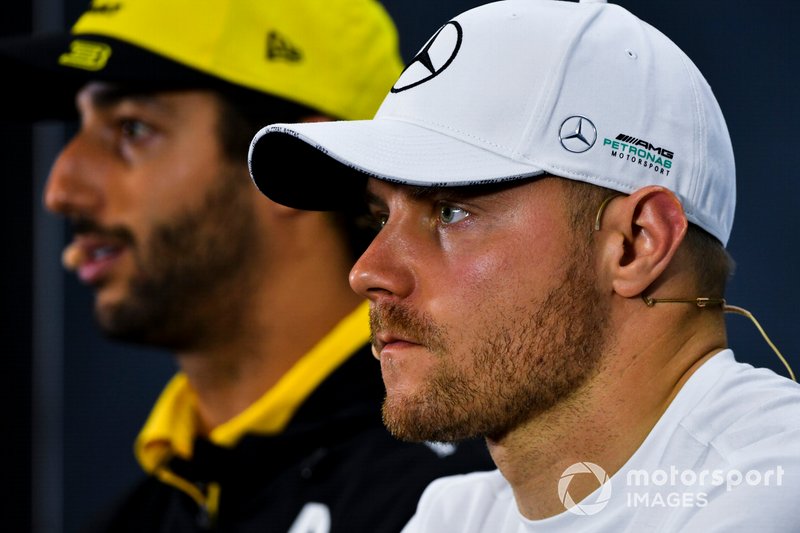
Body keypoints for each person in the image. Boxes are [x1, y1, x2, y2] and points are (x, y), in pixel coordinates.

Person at [248, 0, 800, 530]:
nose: (368, 272)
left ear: (637, 242)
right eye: (380, 217)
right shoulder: (459, 516)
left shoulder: (775, 486)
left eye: (450, 211)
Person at [0, 0, 495, 531]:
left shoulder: (472, 498)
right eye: (80, 126)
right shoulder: (142, 513)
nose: (61, 188)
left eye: (131, 129)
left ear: (295, 163)